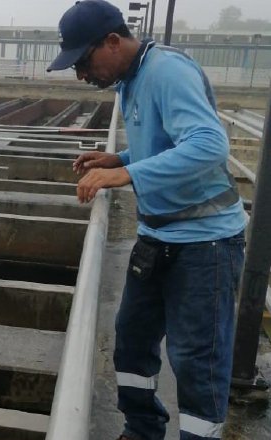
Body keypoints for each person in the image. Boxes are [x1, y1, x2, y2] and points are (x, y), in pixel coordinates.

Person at [47, 1, 247, 439]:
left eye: (83, 61)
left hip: (204, 243)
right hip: (157, 233)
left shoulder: (166, 72)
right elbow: (166, 142)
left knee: (197, 359)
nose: (82, 75)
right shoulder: (130, 79)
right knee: (132, 339)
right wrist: (121, 155)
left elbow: (209, 145)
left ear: (114, 42)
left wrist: (126, 172)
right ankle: (142, 429)